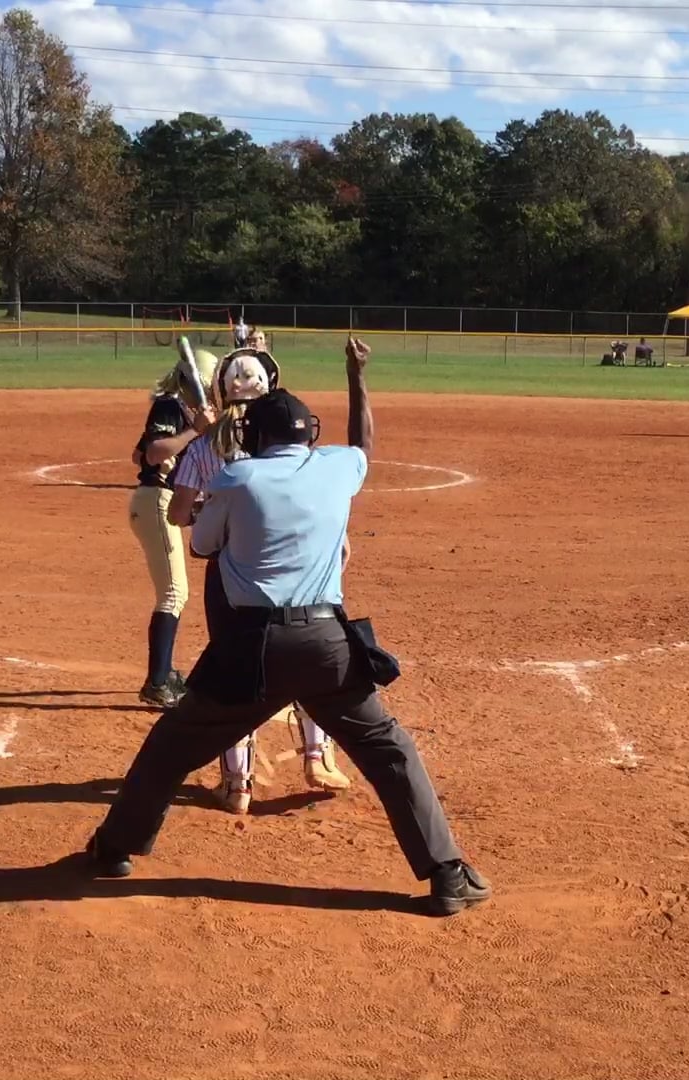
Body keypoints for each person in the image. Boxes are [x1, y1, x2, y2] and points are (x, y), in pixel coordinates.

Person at [87, 337, 491, 917]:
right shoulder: (339, 466)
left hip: (251, 650)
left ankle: (114, 848)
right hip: (328, 647)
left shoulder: (238, 478)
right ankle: (448, 873)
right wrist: (357, 377)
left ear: (255, 436)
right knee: (389, 751)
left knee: (171, 747)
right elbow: (363, 443)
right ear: (308, 435)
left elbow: (201, 545)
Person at [168, 339, 351, 812]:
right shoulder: (285, 440)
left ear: (222, 388)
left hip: (230, 577)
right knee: (309, 657)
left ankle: (238, 784)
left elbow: (179, 515)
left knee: (237, 673)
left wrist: (218, 512)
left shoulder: (206, 445)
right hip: (300, 563)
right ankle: (317, 756)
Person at [128, 351, 213, 707]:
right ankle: (157, 683)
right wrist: (194, 430)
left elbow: (137, 454)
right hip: (156, 502)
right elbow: (151, 454)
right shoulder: (169, 406)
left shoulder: (182, 410)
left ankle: (163, 674)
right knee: (174, 594)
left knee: (176, 592)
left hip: (158, 502)